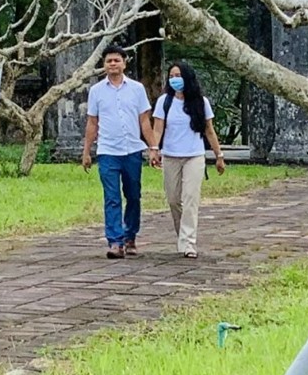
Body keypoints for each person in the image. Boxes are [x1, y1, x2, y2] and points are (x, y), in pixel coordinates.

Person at [150, 59, 227, 258]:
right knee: (174, 200)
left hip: (194, 156)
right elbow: (158, 128)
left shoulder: (201, 102)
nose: (175, 80)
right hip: (171, 156)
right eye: (172, 76)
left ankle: (188, 242)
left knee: (190, 199)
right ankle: (182, 236)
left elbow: (209, 131)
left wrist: (219, 155)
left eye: (179, 76)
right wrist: (154, 149)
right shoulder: (164, 101)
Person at [82, 46, 153, 258]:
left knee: (133, 195)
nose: (112, 64)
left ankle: (130, 235)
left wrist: (153, 147)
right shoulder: (96, 91)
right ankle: (115, 241)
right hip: (107, 150)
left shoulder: (137, 89)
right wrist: (87, 151)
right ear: (104, 65)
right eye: (109, 61)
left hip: (132, 149)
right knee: (111, 197)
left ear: (124, 63)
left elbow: (144, 120)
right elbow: (92, 122)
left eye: (116, 60)